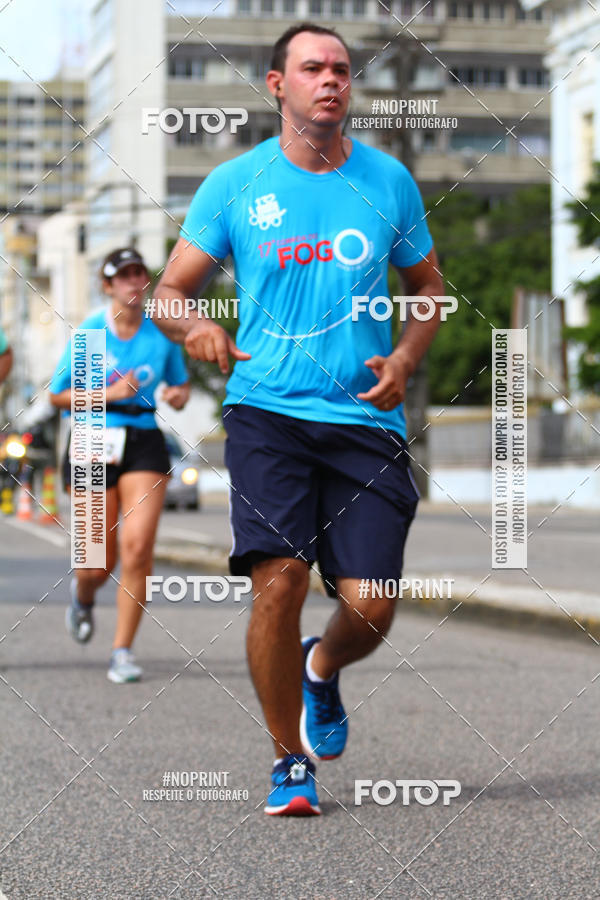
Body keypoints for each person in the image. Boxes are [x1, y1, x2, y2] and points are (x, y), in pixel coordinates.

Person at [152, 23, 444, 815]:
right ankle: (289, 762)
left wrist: (407, 359)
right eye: (313, 68)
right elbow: (168, 293)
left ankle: (322, 668)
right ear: (277, 84)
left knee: (373, 603)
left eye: (342, 69)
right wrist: (197, 327)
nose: (331, 80)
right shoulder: (234, 184)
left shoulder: (389, 183)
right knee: (277, 580)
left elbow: (428, 291)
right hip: (266, 412)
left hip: (365, 422)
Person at [49, 248, 190, 683]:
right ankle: (84, 594)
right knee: (96, 562)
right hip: (92, 435)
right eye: (122, 276)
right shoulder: (90, 333)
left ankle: (122, 651)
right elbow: (57, 396)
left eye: (138, 274)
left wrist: (177, 396)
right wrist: (108, 396)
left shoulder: (161, 334)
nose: (133, 282)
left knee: (138, 547)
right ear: (107, 286)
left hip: (145, 438)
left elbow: (180, 384)